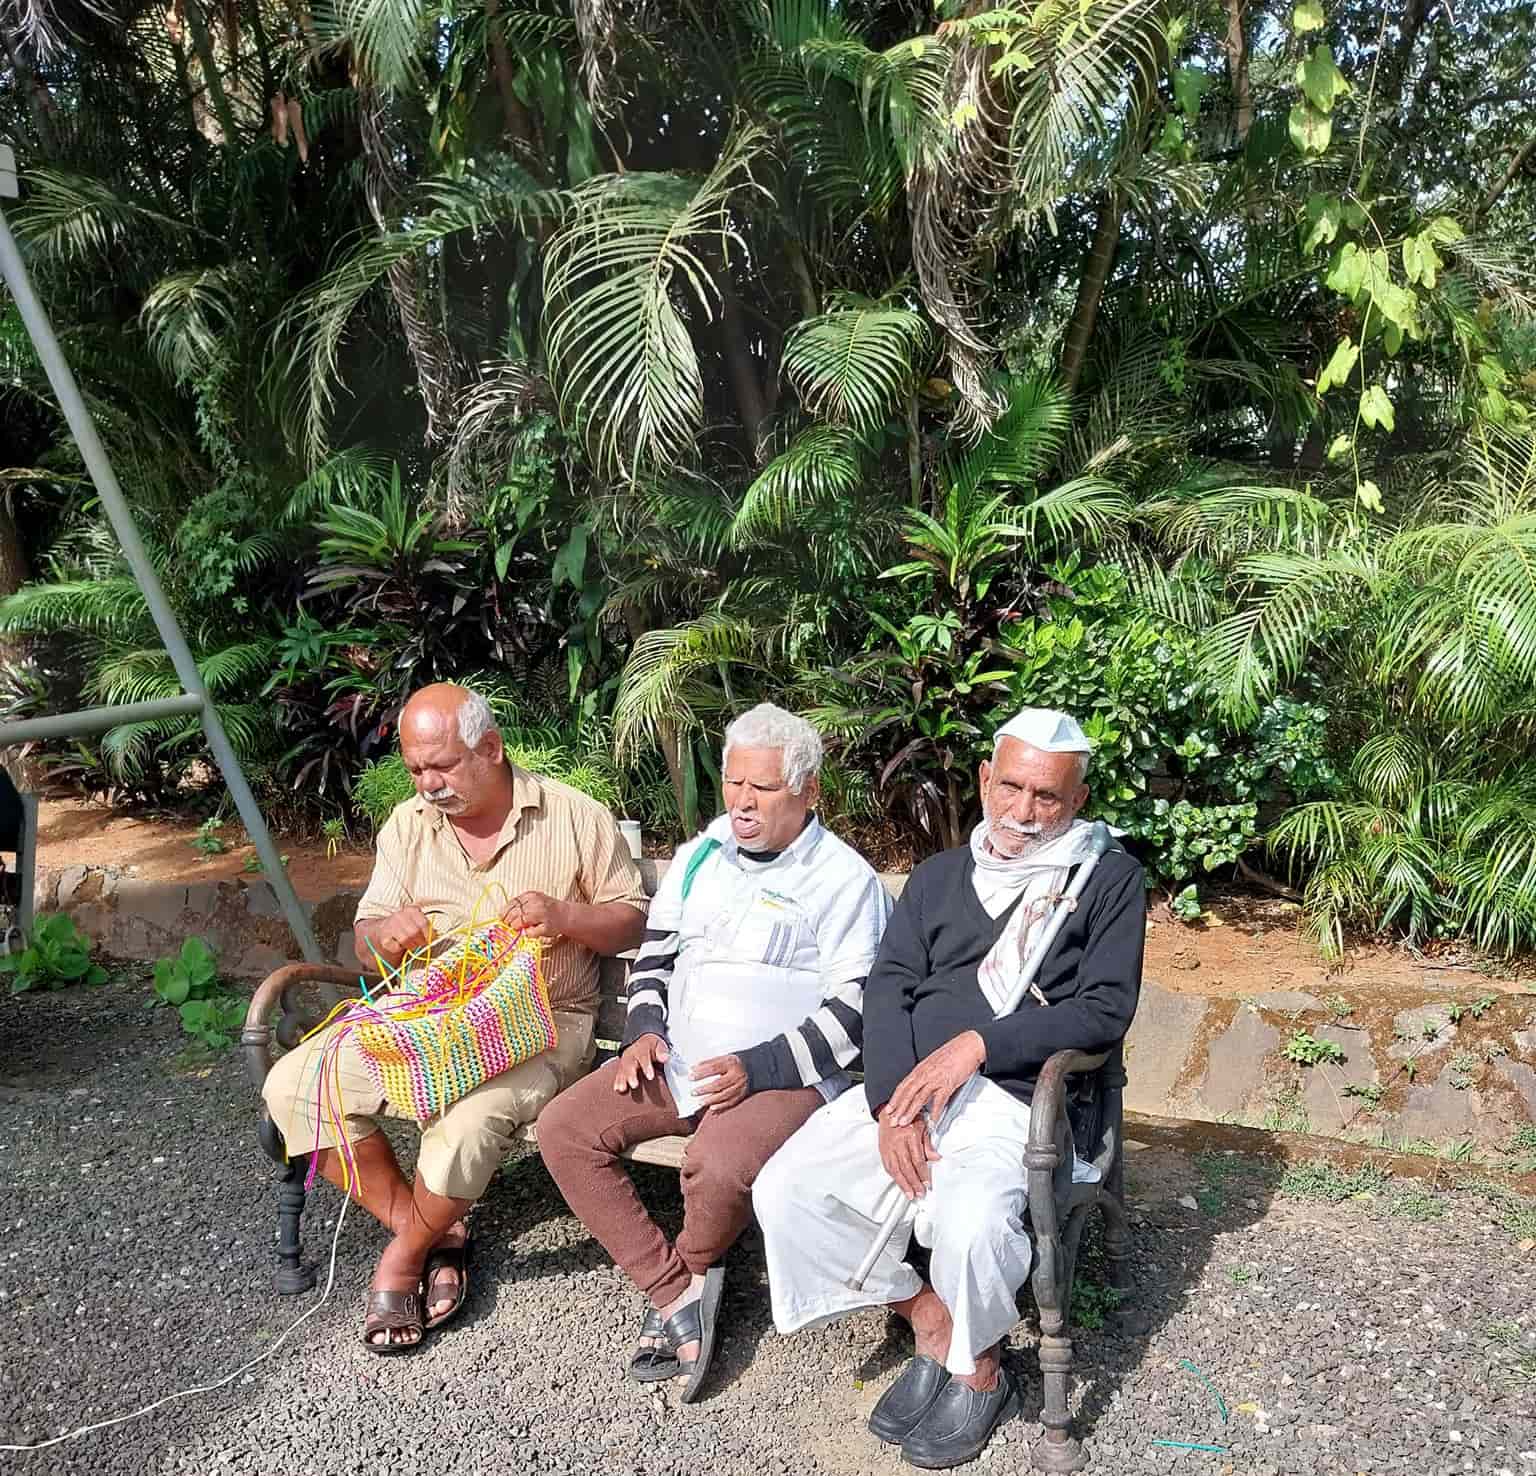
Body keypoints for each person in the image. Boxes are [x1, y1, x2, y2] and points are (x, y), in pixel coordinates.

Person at [752, 708, 1144, 1469]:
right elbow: (890, 984)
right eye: (1012, 788)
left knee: (972, 1225)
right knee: (788, 1190)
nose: (1024, 812)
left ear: (1079, 800)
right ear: (985, 780)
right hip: (910, 1089)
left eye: (1048, 798)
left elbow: (1104, 1009)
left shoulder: (1106, 878)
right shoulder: (938, 877)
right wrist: (889, 1105)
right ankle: (931, 1321)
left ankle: (980, 1365)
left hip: (1015, 1097)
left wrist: (980, 1043)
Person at [261, 683, 647, 1353]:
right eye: (416, 769)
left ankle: (404, 1258)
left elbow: (631, 917)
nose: (428, 783)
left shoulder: (576, 817)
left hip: (545, 1022)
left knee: (470, 1124)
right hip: (430, 1019)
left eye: (442, 766)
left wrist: (565, 916)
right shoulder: (408, 826)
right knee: (295, 1085)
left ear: (491, 748)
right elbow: (367, 936)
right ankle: (437, 1232)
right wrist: (387, 934)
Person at [538, 703, 893, 1402]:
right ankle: (675, 1293)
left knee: (718, 1164)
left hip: (782, 1079)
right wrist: (644, 1028)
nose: (742, 802)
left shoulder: (845, 879)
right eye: (734, 784)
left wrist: (755, 1068)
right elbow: (655, 957)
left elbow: (858, 1010)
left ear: (809, 791)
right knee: (563, 1129)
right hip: (678, 1061)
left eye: (762, 788)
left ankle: (700, 1263)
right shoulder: (702, 856)